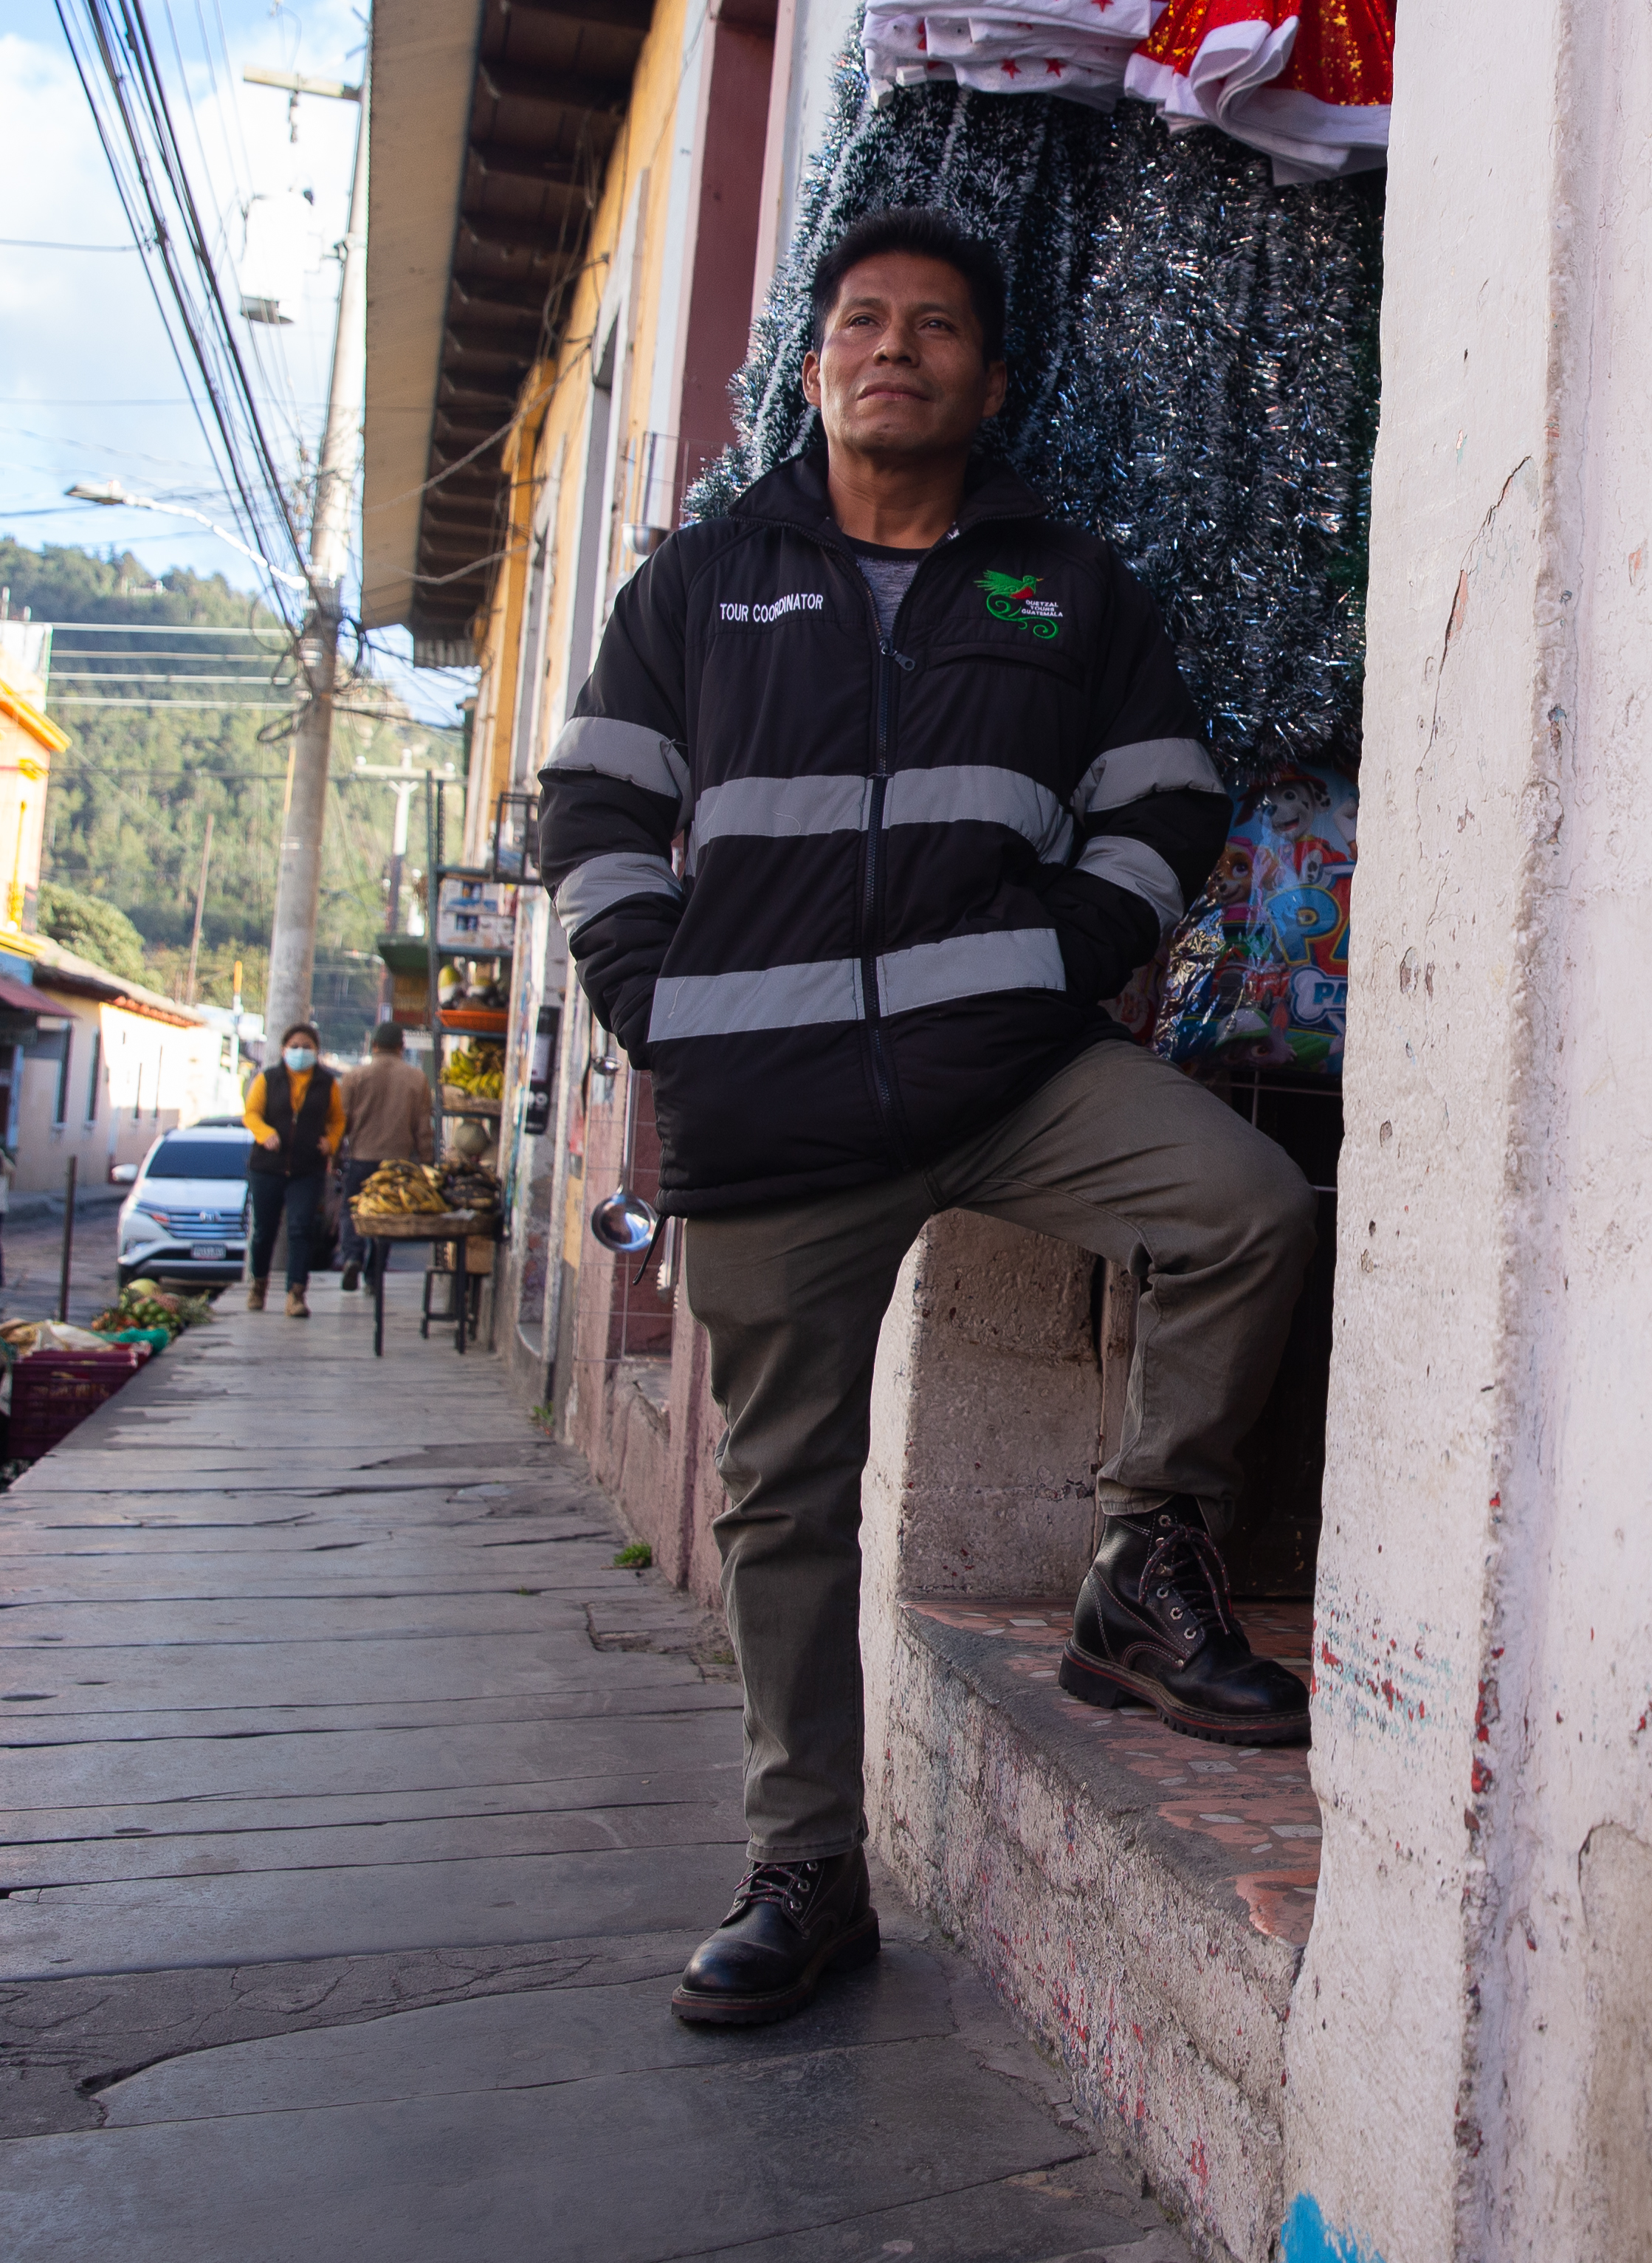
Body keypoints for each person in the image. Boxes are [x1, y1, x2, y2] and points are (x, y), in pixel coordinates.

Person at [539, 207, 1317, 2030]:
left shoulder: (1061, 582)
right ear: (814, 368)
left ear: (987, 377)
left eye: (938, 327)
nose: (896, 347)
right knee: (785, 1494)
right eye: (864, 322)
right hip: (767, 1105)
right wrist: (663, 1005)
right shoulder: (703, 579)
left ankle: (1140, 1560)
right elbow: (588, 809)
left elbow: (1165, 797)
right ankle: (807, 1868)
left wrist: (1059, 955)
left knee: (1248, 1203)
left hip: (1004, 1070)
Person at [240, 1023, 343, 1317]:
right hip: (268, 1167)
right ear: (284, 1049)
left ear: (317, 1051)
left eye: (307, 1047)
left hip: (307, 1168)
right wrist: (264, 1133)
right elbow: (251, 1113)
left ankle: (296, 1295)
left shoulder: (327, 1084)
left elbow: (337, 1120)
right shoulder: (268, 1079)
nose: (301, 1052)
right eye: (295, 1046)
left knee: (301, 1230)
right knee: (264, 1231)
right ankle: (258, 1286)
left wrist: (331, 1142)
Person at [335, 1023, 434, 1293]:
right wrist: (428, 1163)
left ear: (374, 1045)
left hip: (361, 1157)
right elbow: (423, 1128)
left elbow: (340, 1122)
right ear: (402, 1047)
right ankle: (374, 1275)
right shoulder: (417, 1079)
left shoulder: (355, 1077)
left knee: (352, 1211)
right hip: (396, 1163)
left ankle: (353, 1257)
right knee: (388, 1218)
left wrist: (334, 1157)